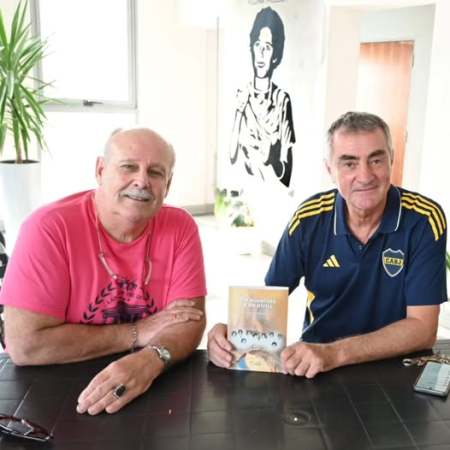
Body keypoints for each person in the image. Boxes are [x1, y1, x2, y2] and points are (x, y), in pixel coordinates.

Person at [209, 111, 447, 378]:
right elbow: (268, 302)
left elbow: (423, 329)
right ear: (330, 170)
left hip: (394, 366)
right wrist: (230, 334)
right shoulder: (308, 219)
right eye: (349, 163)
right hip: (317, 366)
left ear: (391, 159)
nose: (365, 175)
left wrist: (335, 353)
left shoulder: (424, 220)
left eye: (376, 160)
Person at [0, 127, 207, 414]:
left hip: (149, 384)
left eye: (156, 172)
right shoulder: (48, 228)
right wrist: (137, 332)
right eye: (128, 167)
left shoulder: (180, 227)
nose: (142, 181)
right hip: (50, 388)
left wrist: (150, 359)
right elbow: (25, 345)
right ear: (100, 170)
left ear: (168, 184)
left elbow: (189, 321)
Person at [230, 6, 295, 188]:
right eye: (257, 45)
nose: (261, 53)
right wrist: (239, 112)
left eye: (267, 47)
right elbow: (232, 155)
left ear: (275, 56)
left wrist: (273, 159)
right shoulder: (242, 95)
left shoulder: (282, 100)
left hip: (274, 193)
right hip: (242, 193)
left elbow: (287, 175)